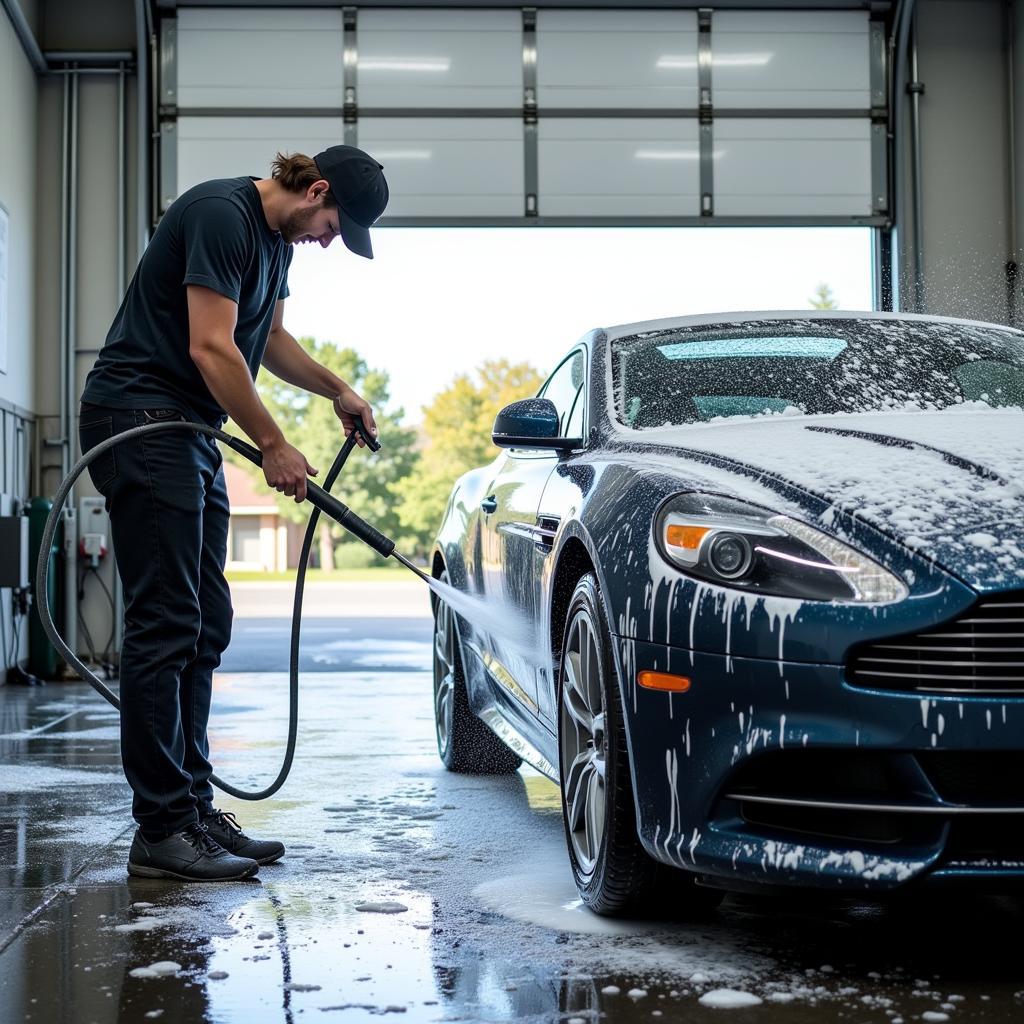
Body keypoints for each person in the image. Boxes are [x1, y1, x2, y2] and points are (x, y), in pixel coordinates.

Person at [78, 145, 389, 881]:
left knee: (205, 622)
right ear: (315, 190)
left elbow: (268, 340)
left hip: (188, 429)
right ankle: (161, 829)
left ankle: (190, 809)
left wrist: (336, 389)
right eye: (335, 226)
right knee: (165, 621)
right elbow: (214, 348)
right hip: (140, 417)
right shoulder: (222, 215)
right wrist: (275, 444)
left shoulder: (277, 247)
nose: (328, 242)